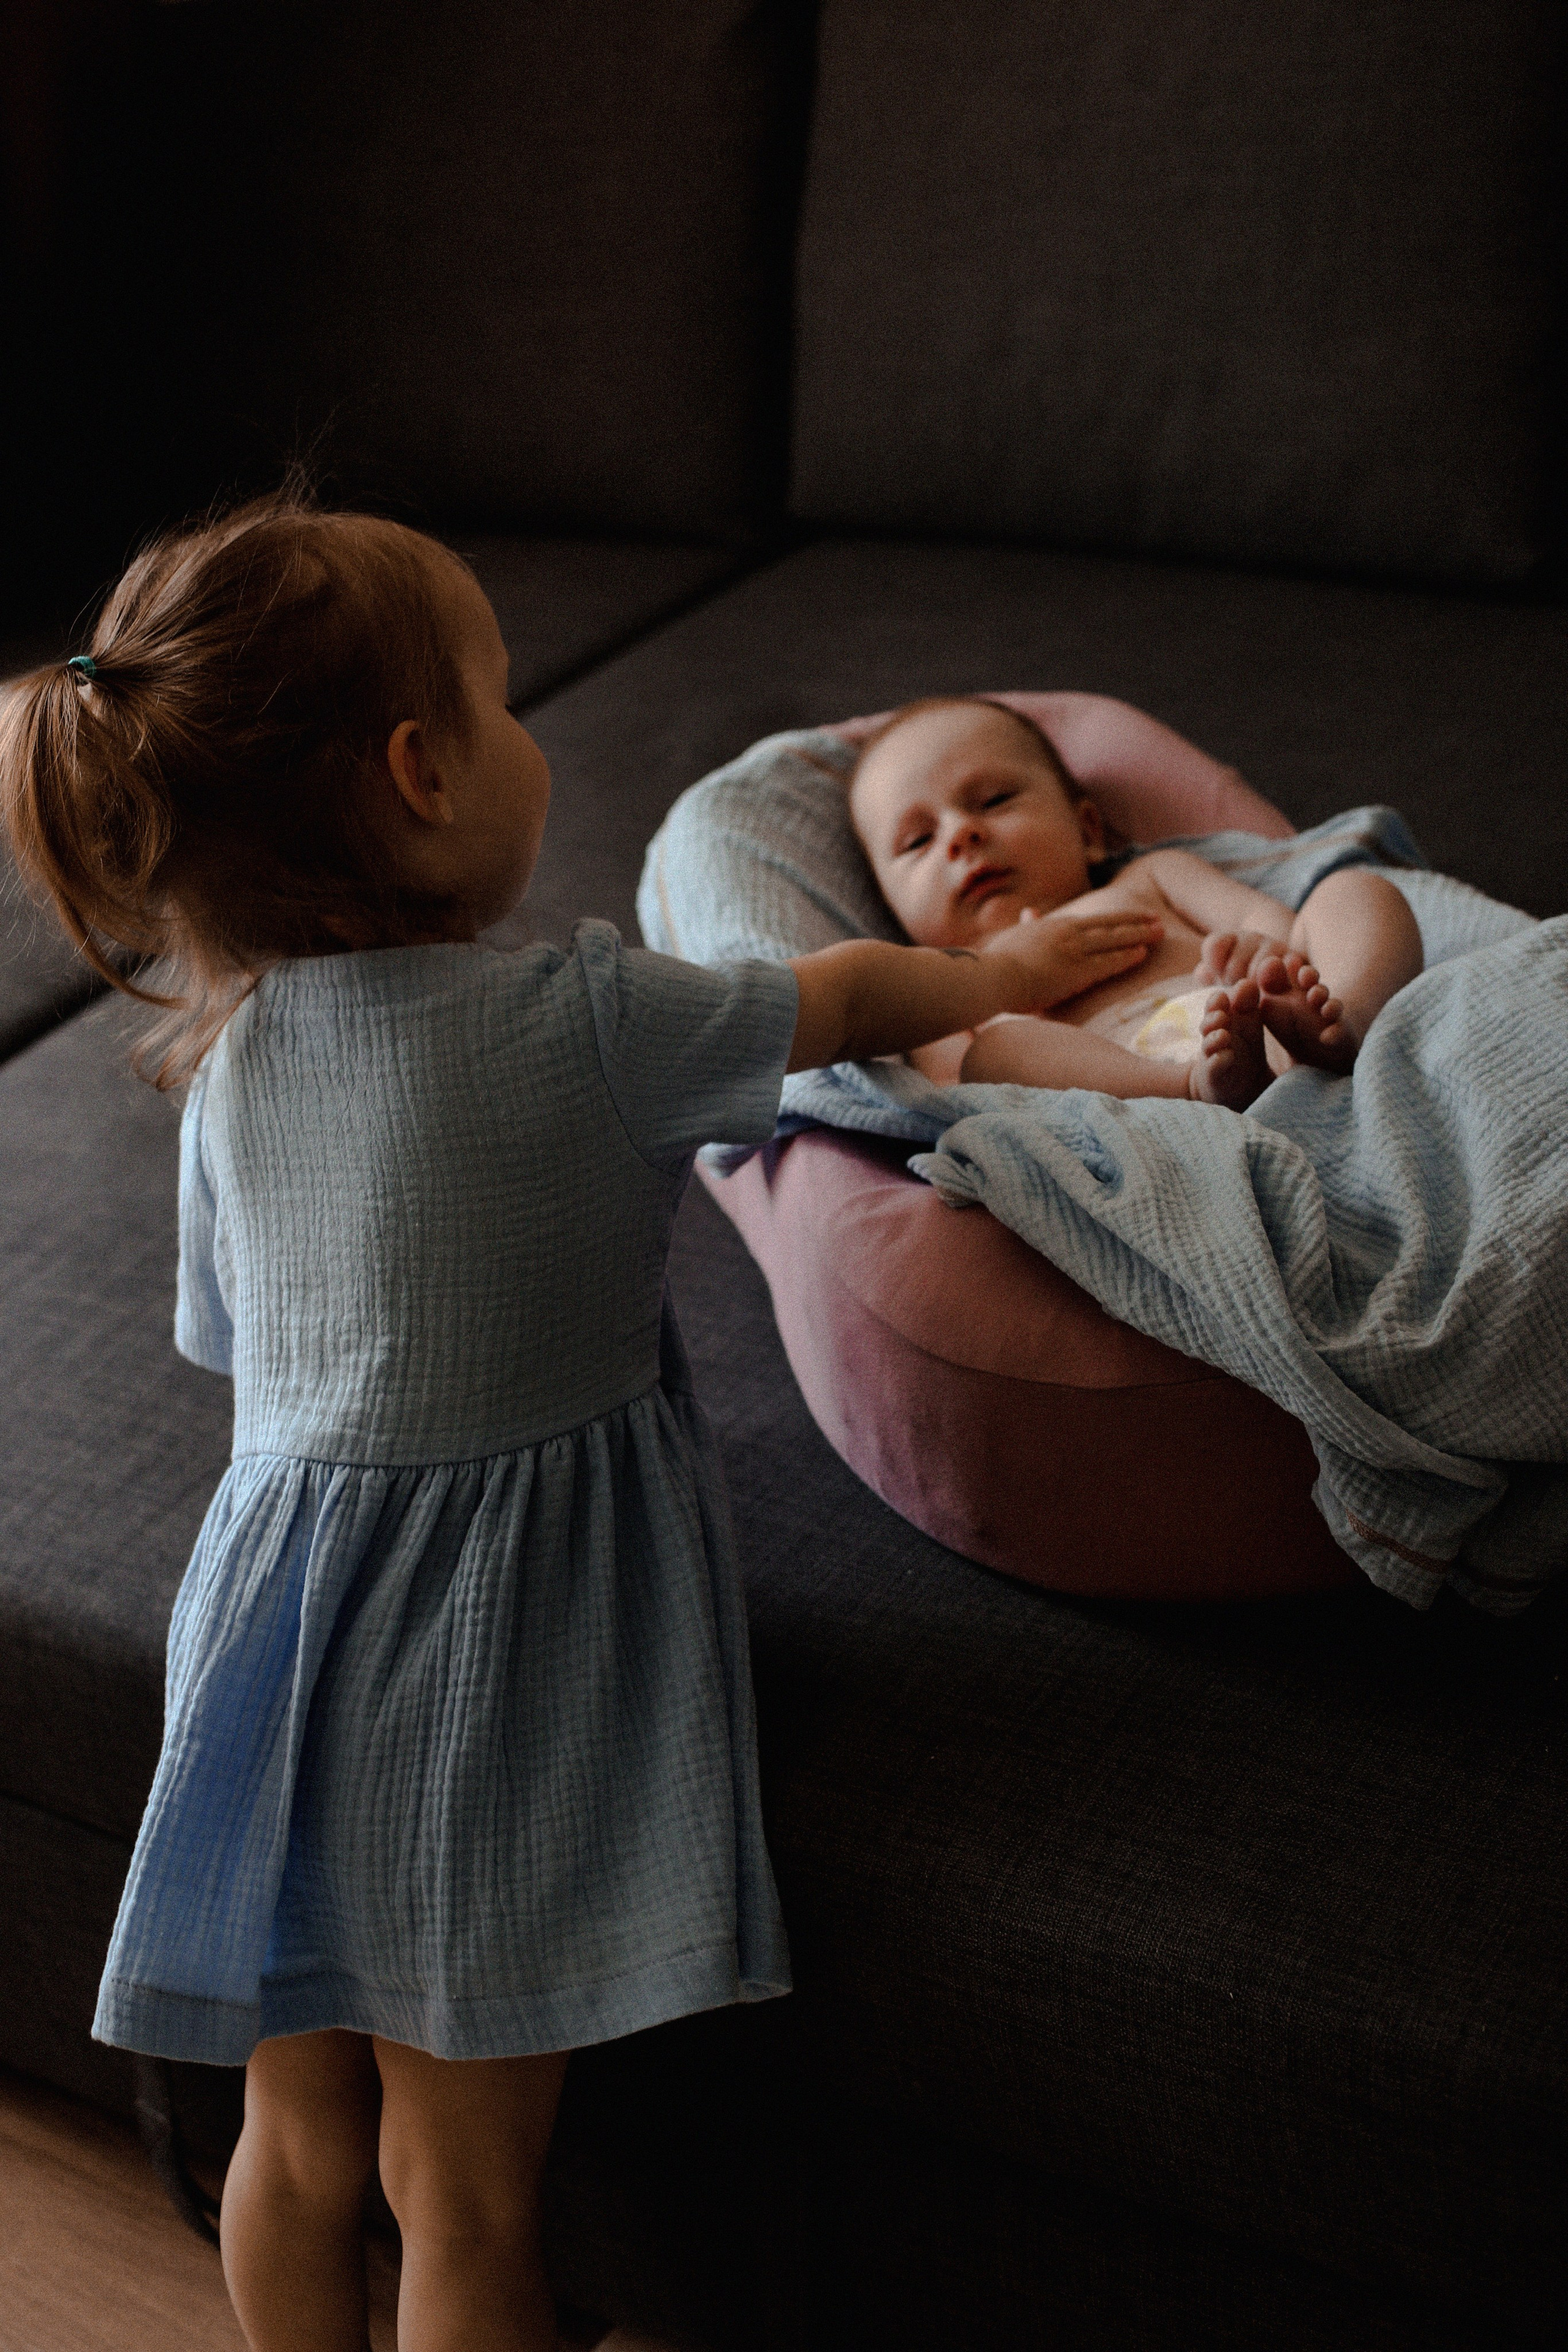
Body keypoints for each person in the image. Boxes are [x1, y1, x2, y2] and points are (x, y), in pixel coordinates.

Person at [0, 496, 1163, 2352]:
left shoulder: (230, 1066)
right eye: (502, 697)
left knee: (294, 2141)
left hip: (268, 1638)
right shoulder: (595, 1017)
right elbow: (845, 1000)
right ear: (423, 771)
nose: (526, 732)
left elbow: (235, 1345)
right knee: (460, 2192)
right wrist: (1014, 975)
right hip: (493, 1659)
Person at [848, 696, 1425, 1106]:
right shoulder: (940, 990)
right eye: (918, 841)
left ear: (1089, 831)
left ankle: (1345, 1024)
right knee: (992, 1054)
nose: (961, 834)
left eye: (995, 800)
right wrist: (1002, 978)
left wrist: (1264, 952)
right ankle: (1198, 1087)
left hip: (1268, 1021)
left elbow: (1264, 919)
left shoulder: (1151, 877)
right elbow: (952, 1097)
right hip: (1137, 1093)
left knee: (1354, 892)